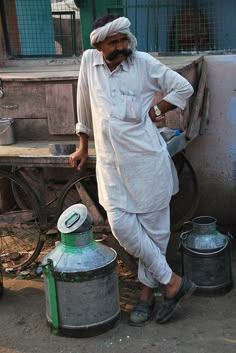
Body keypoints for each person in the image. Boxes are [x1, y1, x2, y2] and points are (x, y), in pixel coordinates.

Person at [69, 14, 196, 326]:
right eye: (114, 42)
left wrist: (155, 109)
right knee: (122, 227)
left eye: (124, 39)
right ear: (98, 44)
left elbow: (183, 88)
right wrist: (83, 144)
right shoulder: (89, 62)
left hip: (147, 162)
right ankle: (174, 282)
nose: (122, 46)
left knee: (155, 234)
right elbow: (84, 102)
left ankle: (146, 297)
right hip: (111, 167)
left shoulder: (142, 63)